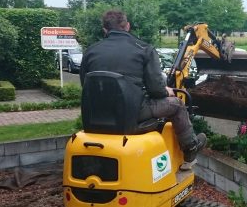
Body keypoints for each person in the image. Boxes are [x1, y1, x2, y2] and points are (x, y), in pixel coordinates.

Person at [80, 10, 206, 170]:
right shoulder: (144, 49)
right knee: (178, 105)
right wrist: (165, 90)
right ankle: (190, 149)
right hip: (131, 117)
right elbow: (156, 91)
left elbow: (86, 85)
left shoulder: (91, 51)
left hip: (95, 118)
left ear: (105, 29)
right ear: (127, 26)